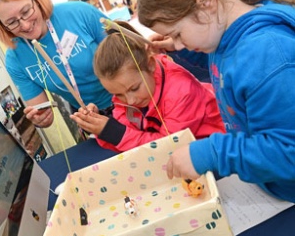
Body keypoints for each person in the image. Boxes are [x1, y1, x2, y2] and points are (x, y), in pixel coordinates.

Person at [137, 0, 295, 203]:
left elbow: (289, 152)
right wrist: (182, 52)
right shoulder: (227, 36)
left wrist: (211, 153)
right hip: (273, 185)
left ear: (207, 3)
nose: (176, 43)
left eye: (177, 34)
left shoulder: (267, 54)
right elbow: (229, 70)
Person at [70, 21, 225, 153]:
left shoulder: (182, 92)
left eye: (134, 88)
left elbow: (168, 148)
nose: (129, 101)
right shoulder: (128, 89)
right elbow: (130, 141)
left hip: (219, 154)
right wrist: (100, 124)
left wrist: (113, 132)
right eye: (118, 94)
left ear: (150, 64)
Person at [0, 0, 112, 128]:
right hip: (89, 117)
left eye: (26, 12)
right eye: (12, 22)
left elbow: (129, 53)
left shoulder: (79, 13)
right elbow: (43, 112)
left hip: (129, 98)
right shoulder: (15, 59)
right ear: (1, 25)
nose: (25, 25)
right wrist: (40, 119)